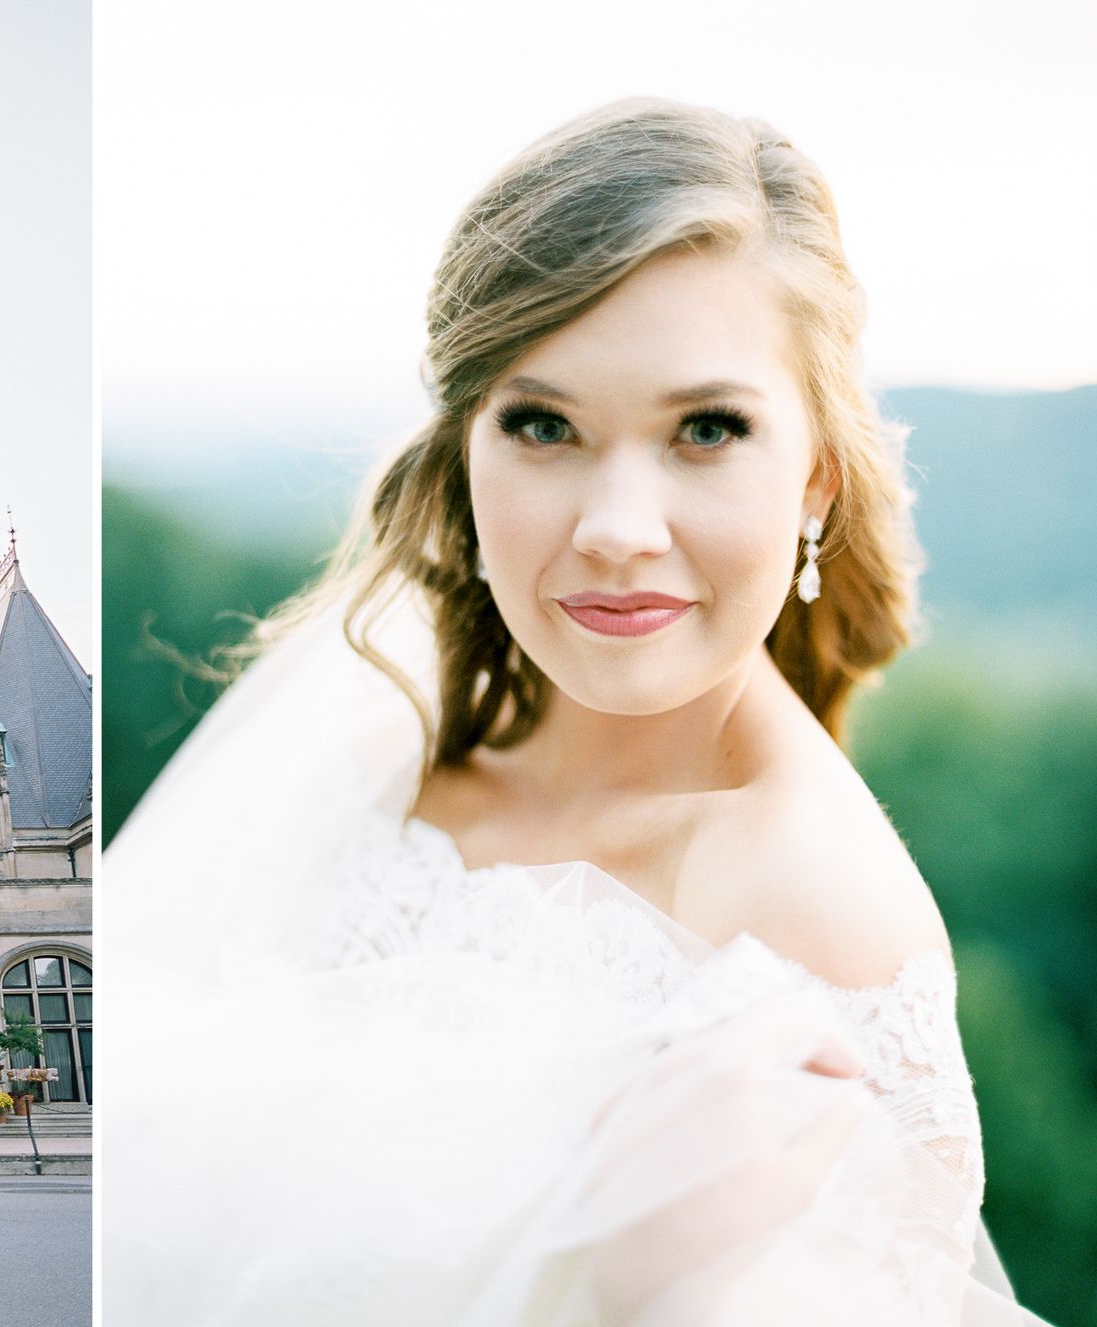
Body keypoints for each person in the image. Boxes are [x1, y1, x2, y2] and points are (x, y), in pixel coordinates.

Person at [104, 99, 1049, 1325]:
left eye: (704, 430)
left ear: (814, 472)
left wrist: (628, 1291)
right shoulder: (379, 745)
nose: (612, 528)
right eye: (542, 425)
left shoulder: (814, 919)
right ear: (463, 450)